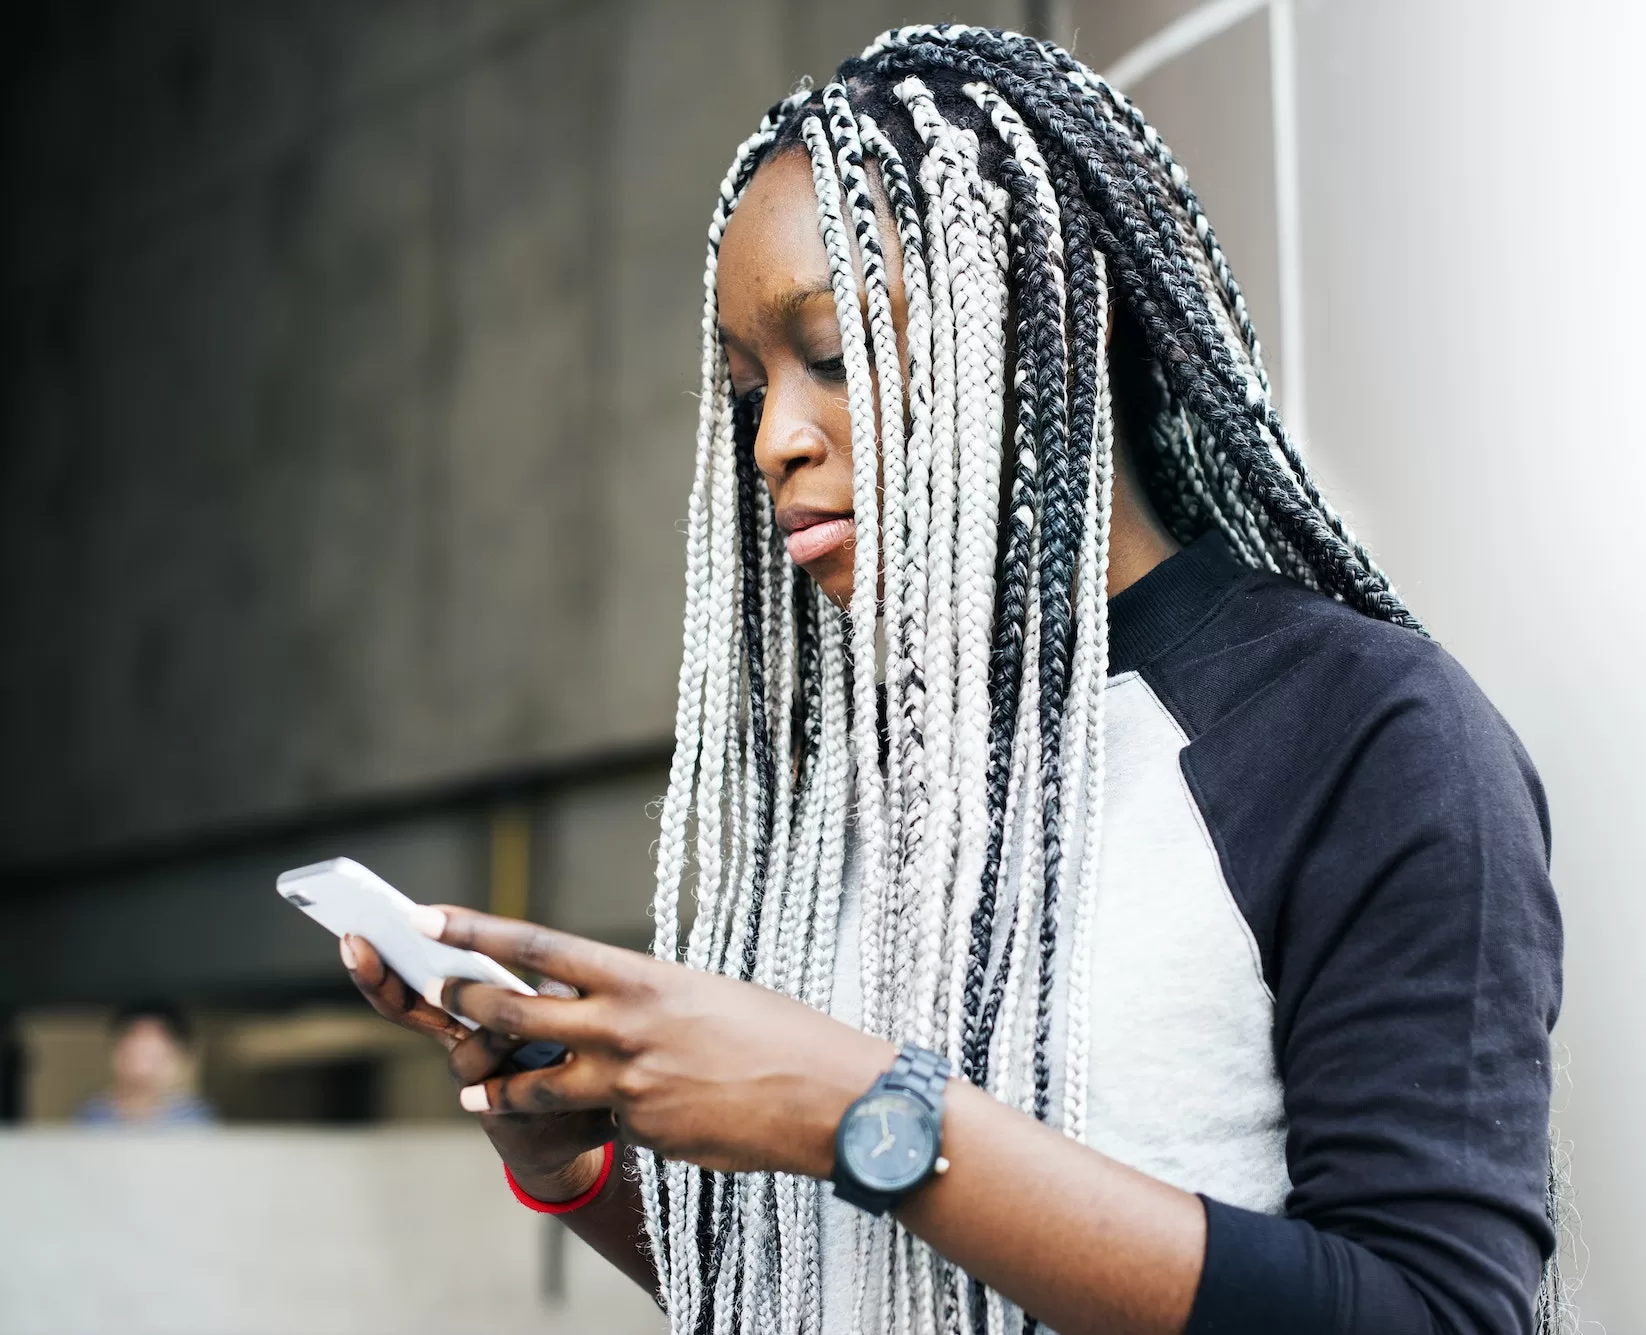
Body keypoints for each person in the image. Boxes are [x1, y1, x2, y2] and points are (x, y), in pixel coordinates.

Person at [343, 27, 1566, 1335]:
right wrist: (575, 1160)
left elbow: (1441, 1310)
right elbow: (819, 1284)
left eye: (830, 350)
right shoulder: (856, 781)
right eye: (748, 387)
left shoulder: (1364, 728)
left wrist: (863, 1107)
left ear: (1037, 327)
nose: (774, 439)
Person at [76, 1000, 215, 1127]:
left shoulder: (196, 1118)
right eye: (132, 1055)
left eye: (153, 1057)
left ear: (178, 1057)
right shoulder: (93, 1115)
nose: (143, 1069)